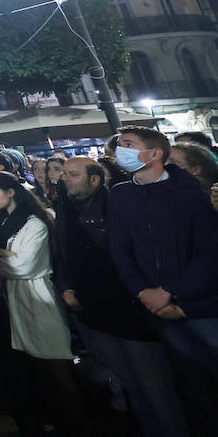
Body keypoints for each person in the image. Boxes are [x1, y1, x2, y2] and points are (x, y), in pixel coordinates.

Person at [57, 158, 189, 435]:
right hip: (95, 312)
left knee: (155, 386)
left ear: (94, 179)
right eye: (63, 174)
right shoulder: (66, 208)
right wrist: (68, 286)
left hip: (131, 311)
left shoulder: (119, 206)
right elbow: (65, 255)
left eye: (72, 174)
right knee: (129, 383)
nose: (64, 179)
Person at [108, 125, 218, 430]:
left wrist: (169, 291)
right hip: (155, 309)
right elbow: (120, 250)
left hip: (199, 306)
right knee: (189, 383)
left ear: (155, 153)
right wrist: (143, 291)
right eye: (119, 144)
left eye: (128, 144)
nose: (121, 150)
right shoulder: (120, 194)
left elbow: (209, 251)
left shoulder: (190, 191)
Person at [0, 171, 81, 433]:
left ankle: (75, 422)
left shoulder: (35, 223)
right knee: (34, 365)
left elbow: (24, 266)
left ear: (11, 191)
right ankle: (50, 418)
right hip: (12, 298)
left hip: (37, 297)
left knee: (55, 362)